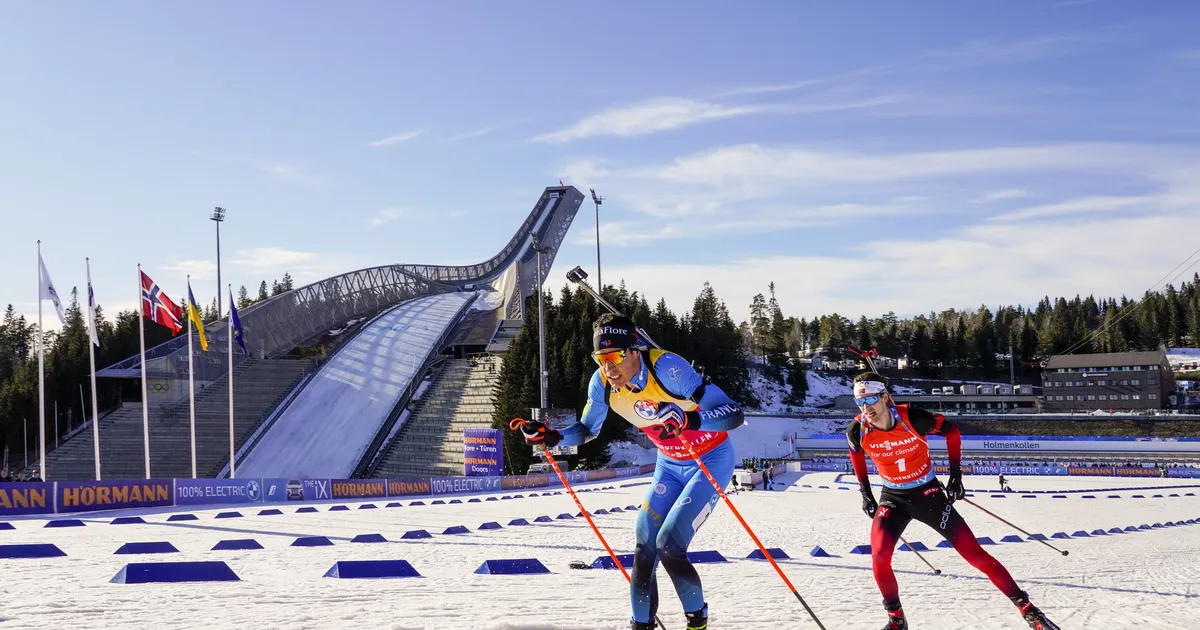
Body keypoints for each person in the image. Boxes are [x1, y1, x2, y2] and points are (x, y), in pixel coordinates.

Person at [519, 314, 744, 630]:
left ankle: (697, 624)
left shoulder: (667, 369)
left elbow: (733, 414)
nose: (609, 368)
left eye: (616, 357)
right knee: (644, 547)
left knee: (670, 546)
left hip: (710, 459)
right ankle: (640, 625)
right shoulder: (603, 384)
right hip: (669, 465)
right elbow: (587, 429)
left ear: (636, 351)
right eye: (601, 359)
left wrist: (689, 420)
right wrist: (552, 437)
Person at [846, 373, 1059, 630]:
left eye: (870, 399)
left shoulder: (914, 418)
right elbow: (856, 454)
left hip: (928, 494)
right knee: (879, 557)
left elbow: (953, 433)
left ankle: (1029, 611)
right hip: (893, 498)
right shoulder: (858, 429)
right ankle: (896, 619)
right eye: (860, 401)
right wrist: (865, 493)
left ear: (885, 397)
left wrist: (956, 476)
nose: (866, 407)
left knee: (975, 555)